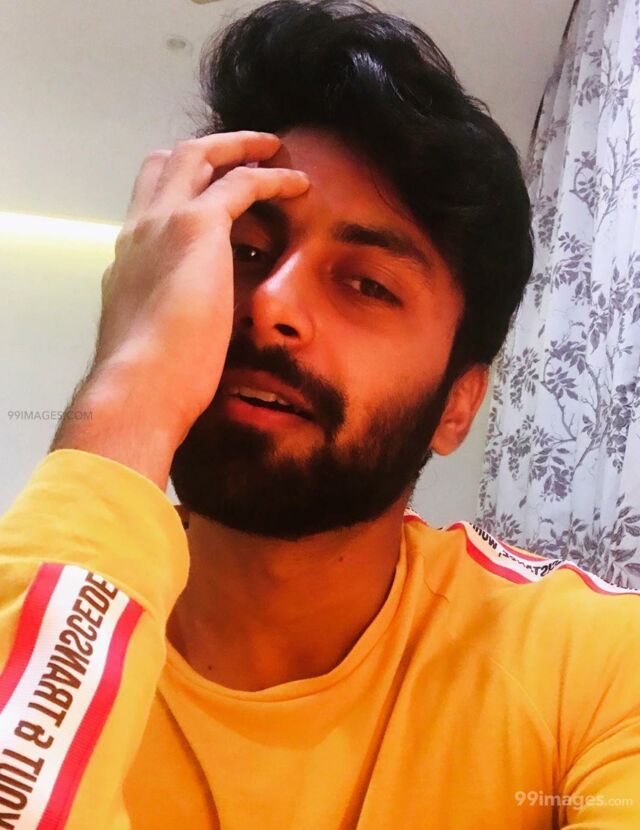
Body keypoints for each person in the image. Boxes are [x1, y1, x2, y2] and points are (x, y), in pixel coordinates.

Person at [0, 0, 639, 827]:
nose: (270, 303)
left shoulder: (592, 666)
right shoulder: (31, 598)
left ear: (457, 406)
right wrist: (130, 389)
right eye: (246, 250)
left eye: (367, 284)